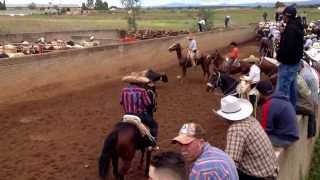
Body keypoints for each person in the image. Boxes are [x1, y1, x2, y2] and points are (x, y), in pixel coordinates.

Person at [214, 95, 279, 180]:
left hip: (261, 176)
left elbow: (231, 163)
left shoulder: (235, 129)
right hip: (271, 170)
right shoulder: (251, 119)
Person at [172, 122, 239, 180]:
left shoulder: (201, 168)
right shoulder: (217, 152)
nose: (183, 149)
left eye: (187, 144)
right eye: (181, 144)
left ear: (201, 142)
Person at [256, 81, 300, 147]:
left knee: (256, 140)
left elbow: (265, 129)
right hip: (292, 135)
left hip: (284, 139)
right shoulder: (281, 97)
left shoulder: (268, 105)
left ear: (260, 94)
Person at [276, 5, 304, 108]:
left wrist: (280, 58)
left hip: (288, 65)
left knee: (282, 92)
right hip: (294, 63)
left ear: (287, 16)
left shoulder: (291, 29)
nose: (282, 17)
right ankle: (292, 110)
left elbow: (288, 49)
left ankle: (283, 115)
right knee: (292, 89)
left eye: (283, 15)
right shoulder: (296, 26)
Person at [120, 74, 159, 147]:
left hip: (126, 116)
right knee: (154, 125)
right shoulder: (142, 90)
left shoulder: (124, 90)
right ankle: (152, 144)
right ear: (139, 83)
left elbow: (121, 102)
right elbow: (148, 104)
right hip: (140, 115)